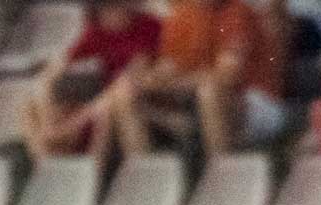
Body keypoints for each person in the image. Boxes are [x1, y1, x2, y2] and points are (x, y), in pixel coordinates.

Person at [107, 0, 288, 160]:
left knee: (209, 91)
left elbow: (225, 77)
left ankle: (221, 178)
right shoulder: (182, 17)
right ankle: (144, 178)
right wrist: (145, 79)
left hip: (259, 103)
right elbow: (164, 72)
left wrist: (175, 82)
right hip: (196, 101)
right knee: (124, 93)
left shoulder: (238, 12)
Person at [21, 0, 161, 163]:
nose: (110, 16)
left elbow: (133, 75)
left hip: (143, 97)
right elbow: (53, 71)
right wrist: (48, 117)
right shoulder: (97, 32)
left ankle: (93, 175)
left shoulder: (150, 26)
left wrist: (74, 123)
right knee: (28, 109)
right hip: (106, 100)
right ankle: (47, 167)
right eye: (104, 11)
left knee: (113, 101)